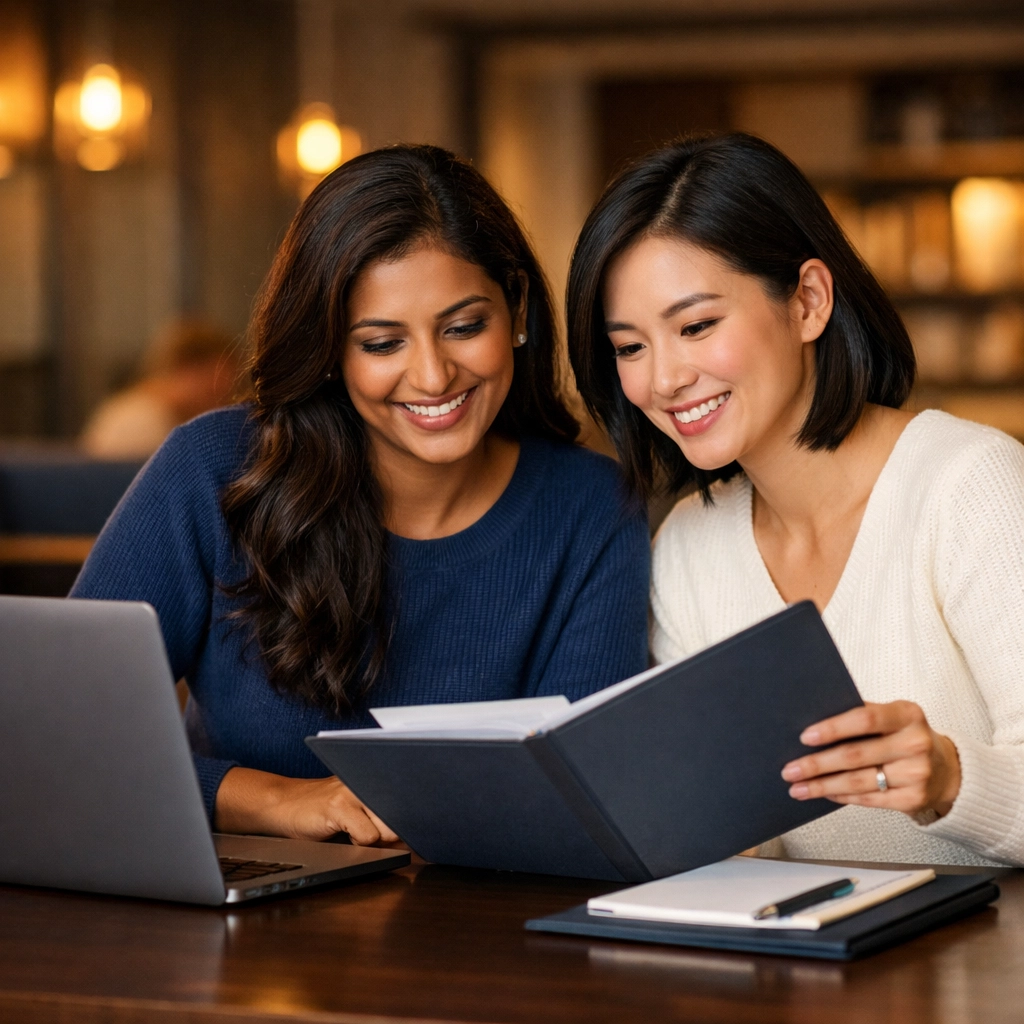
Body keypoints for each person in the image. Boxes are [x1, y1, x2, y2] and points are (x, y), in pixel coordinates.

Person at [73, 145, 649, 846]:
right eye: (381, 344)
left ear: (517, 309)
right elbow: (60, 732)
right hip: (236, 923)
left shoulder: (592, 509)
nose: (434, 375)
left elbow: (584, 801)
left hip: (479, 929)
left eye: (465, 327)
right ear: (330, 349)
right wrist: (275, 800)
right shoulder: (213, 469)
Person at [567, 132, 1024, 867]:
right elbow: (740, 836)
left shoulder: (968, 487)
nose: (663, 379)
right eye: (629, 347)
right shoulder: (689, 542)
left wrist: (947, 777)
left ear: (808, 301)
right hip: (809, 964)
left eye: (696, 326)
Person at [80, 319, 240, 459]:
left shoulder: (150, 412)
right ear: (186, 370)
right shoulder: (141, 421)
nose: (222, 405)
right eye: (214, 391)